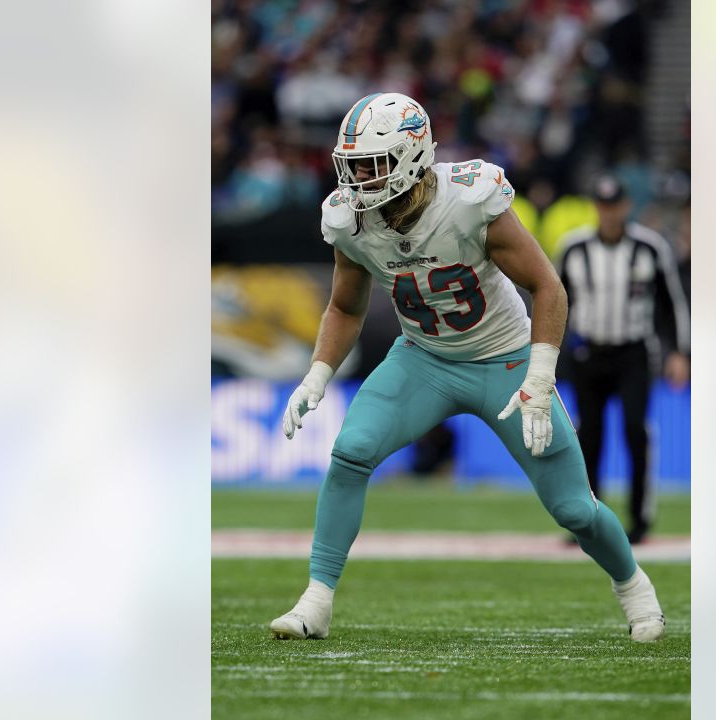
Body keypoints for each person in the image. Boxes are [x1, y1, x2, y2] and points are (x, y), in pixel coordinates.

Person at [270, 92, 666, 642]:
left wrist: (539, 375)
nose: (356, 179)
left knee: (574, 509)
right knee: (351, 451)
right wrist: (317, 374)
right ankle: (316, 602)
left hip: (505, 361)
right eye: (351, 165)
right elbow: (344, 306)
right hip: (424, 360)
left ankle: (635, 588)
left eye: (371, 165)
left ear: (411, 157)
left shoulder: (469, 198)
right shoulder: (349, 221)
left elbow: (547, 287)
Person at [556, 175, 690, 545]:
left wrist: (680, 351)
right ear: (595, 207)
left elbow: (672, 303)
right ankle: (588, 520)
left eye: (614, 205)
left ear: (626, 206)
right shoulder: (574, 248)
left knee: (636, 431)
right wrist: (548, 349)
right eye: (602, 205)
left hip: (633, 352)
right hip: (588, 352)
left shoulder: (650, 247)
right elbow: (554, 301)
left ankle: (640, 518)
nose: (609, 213)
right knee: (589, 436)